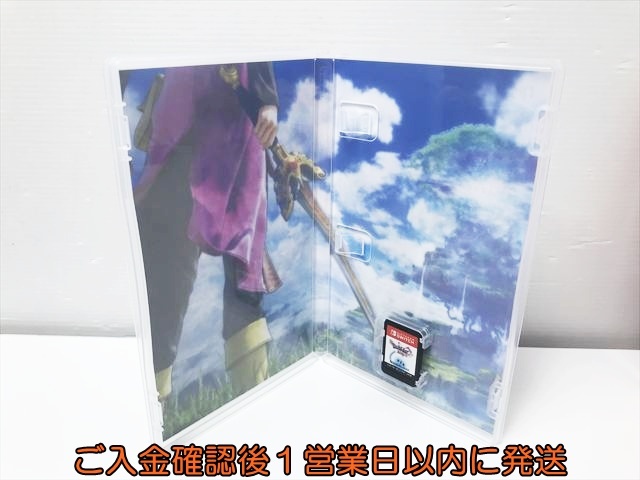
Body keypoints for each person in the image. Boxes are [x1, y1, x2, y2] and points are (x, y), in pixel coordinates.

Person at [131, 62, 281, 399]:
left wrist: (267, 100)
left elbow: (259, 42)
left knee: (244, 263)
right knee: (167, 265)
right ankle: (154, 396)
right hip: (183, 121)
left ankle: (253, 393)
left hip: (239, 124)